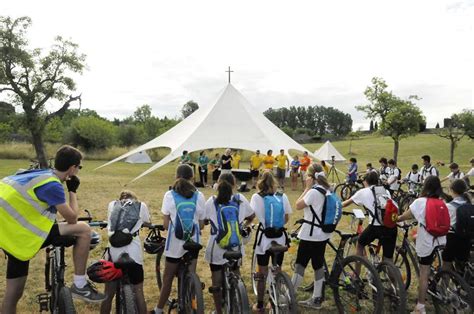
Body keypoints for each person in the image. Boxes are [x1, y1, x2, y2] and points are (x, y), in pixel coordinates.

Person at [0, 145, 105, 313]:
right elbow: (72, 218)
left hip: (10, 234)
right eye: (79, 167)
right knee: (84, 230)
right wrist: (72, 191)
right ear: (72, 168)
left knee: (14, 294)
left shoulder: (39, 175)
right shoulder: (53, 185)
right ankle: (79, 284)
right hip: (19, 234)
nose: (78, 171)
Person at [153, 164, 206, 314]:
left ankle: (158, 309)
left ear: (176, 177)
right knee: (191, 272)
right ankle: (191, 300)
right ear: (192, 177)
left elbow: (165, 224)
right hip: (194, 241)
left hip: (175, 242)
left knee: (168, 277)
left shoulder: (169, 195)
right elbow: (201, 224)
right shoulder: (199, 195)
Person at [204, 173, 255, 314]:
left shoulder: (212, 201)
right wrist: (242, 226)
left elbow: (202, 220)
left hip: (217, 246)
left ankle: (219, 310)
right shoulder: (240, 199)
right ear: (234, 184)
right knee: (236, 272)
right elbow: (251, 216)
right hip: (235, 244)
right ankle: (239, 297)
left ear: (218, 184)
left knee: (216, 280)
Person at [397, 176, 447, 314]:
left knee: (423, 273)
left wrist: (397, 219)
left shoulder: (420, 202)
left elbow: (406, 216)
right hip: (441, 239)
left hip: (427, 242)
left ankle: (420, 307)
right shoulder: (441, 202)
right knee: (435, 266)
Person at [101, 190, 151, 314]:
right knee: (139, 292)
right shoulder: (141, 206)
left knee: (108, 295)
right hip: (134, 254)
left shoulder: (112, 204)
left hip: (114, 253)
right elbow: (147, 221)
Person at [250, 172, 292, 313]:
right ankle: (274, 302)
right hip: (280, 237)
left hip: (264, 239)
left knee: (262, 273)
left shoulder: (256, 197)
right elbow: (286, 218)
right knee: (277, 269)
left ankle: (260, 305)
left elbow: (251, 216)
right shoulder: (282, 196)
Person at [292, 164, 332, 309]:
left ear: (312, 177)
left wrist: (307, 188)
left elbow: (297, 205)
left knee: (300, 265)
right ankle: (316, 298)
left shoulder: (313, 192)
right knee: (318, 265)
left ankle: (290, 294)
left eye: (307, 175)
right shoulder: (327, 190)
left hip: (310, 235)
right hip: (322, 234)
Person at [341, 172, 397, 261]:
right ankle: (392, 272)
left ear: (366, 181)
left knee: (360, 244)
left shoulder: (363, 192)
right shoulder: (385, 190)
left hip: (376, 226)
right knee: (388, 259)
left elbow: (345, 204)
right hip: (391, 226)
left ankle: (356, 273)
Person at [441, 179, 472, 273]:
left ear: (452, 190)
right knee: (462, 264)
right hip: (467, 239)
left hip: (452, 239)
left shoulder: (448, 206)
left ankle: (444, 286)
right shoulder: (470, 204)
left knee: (446, 264)